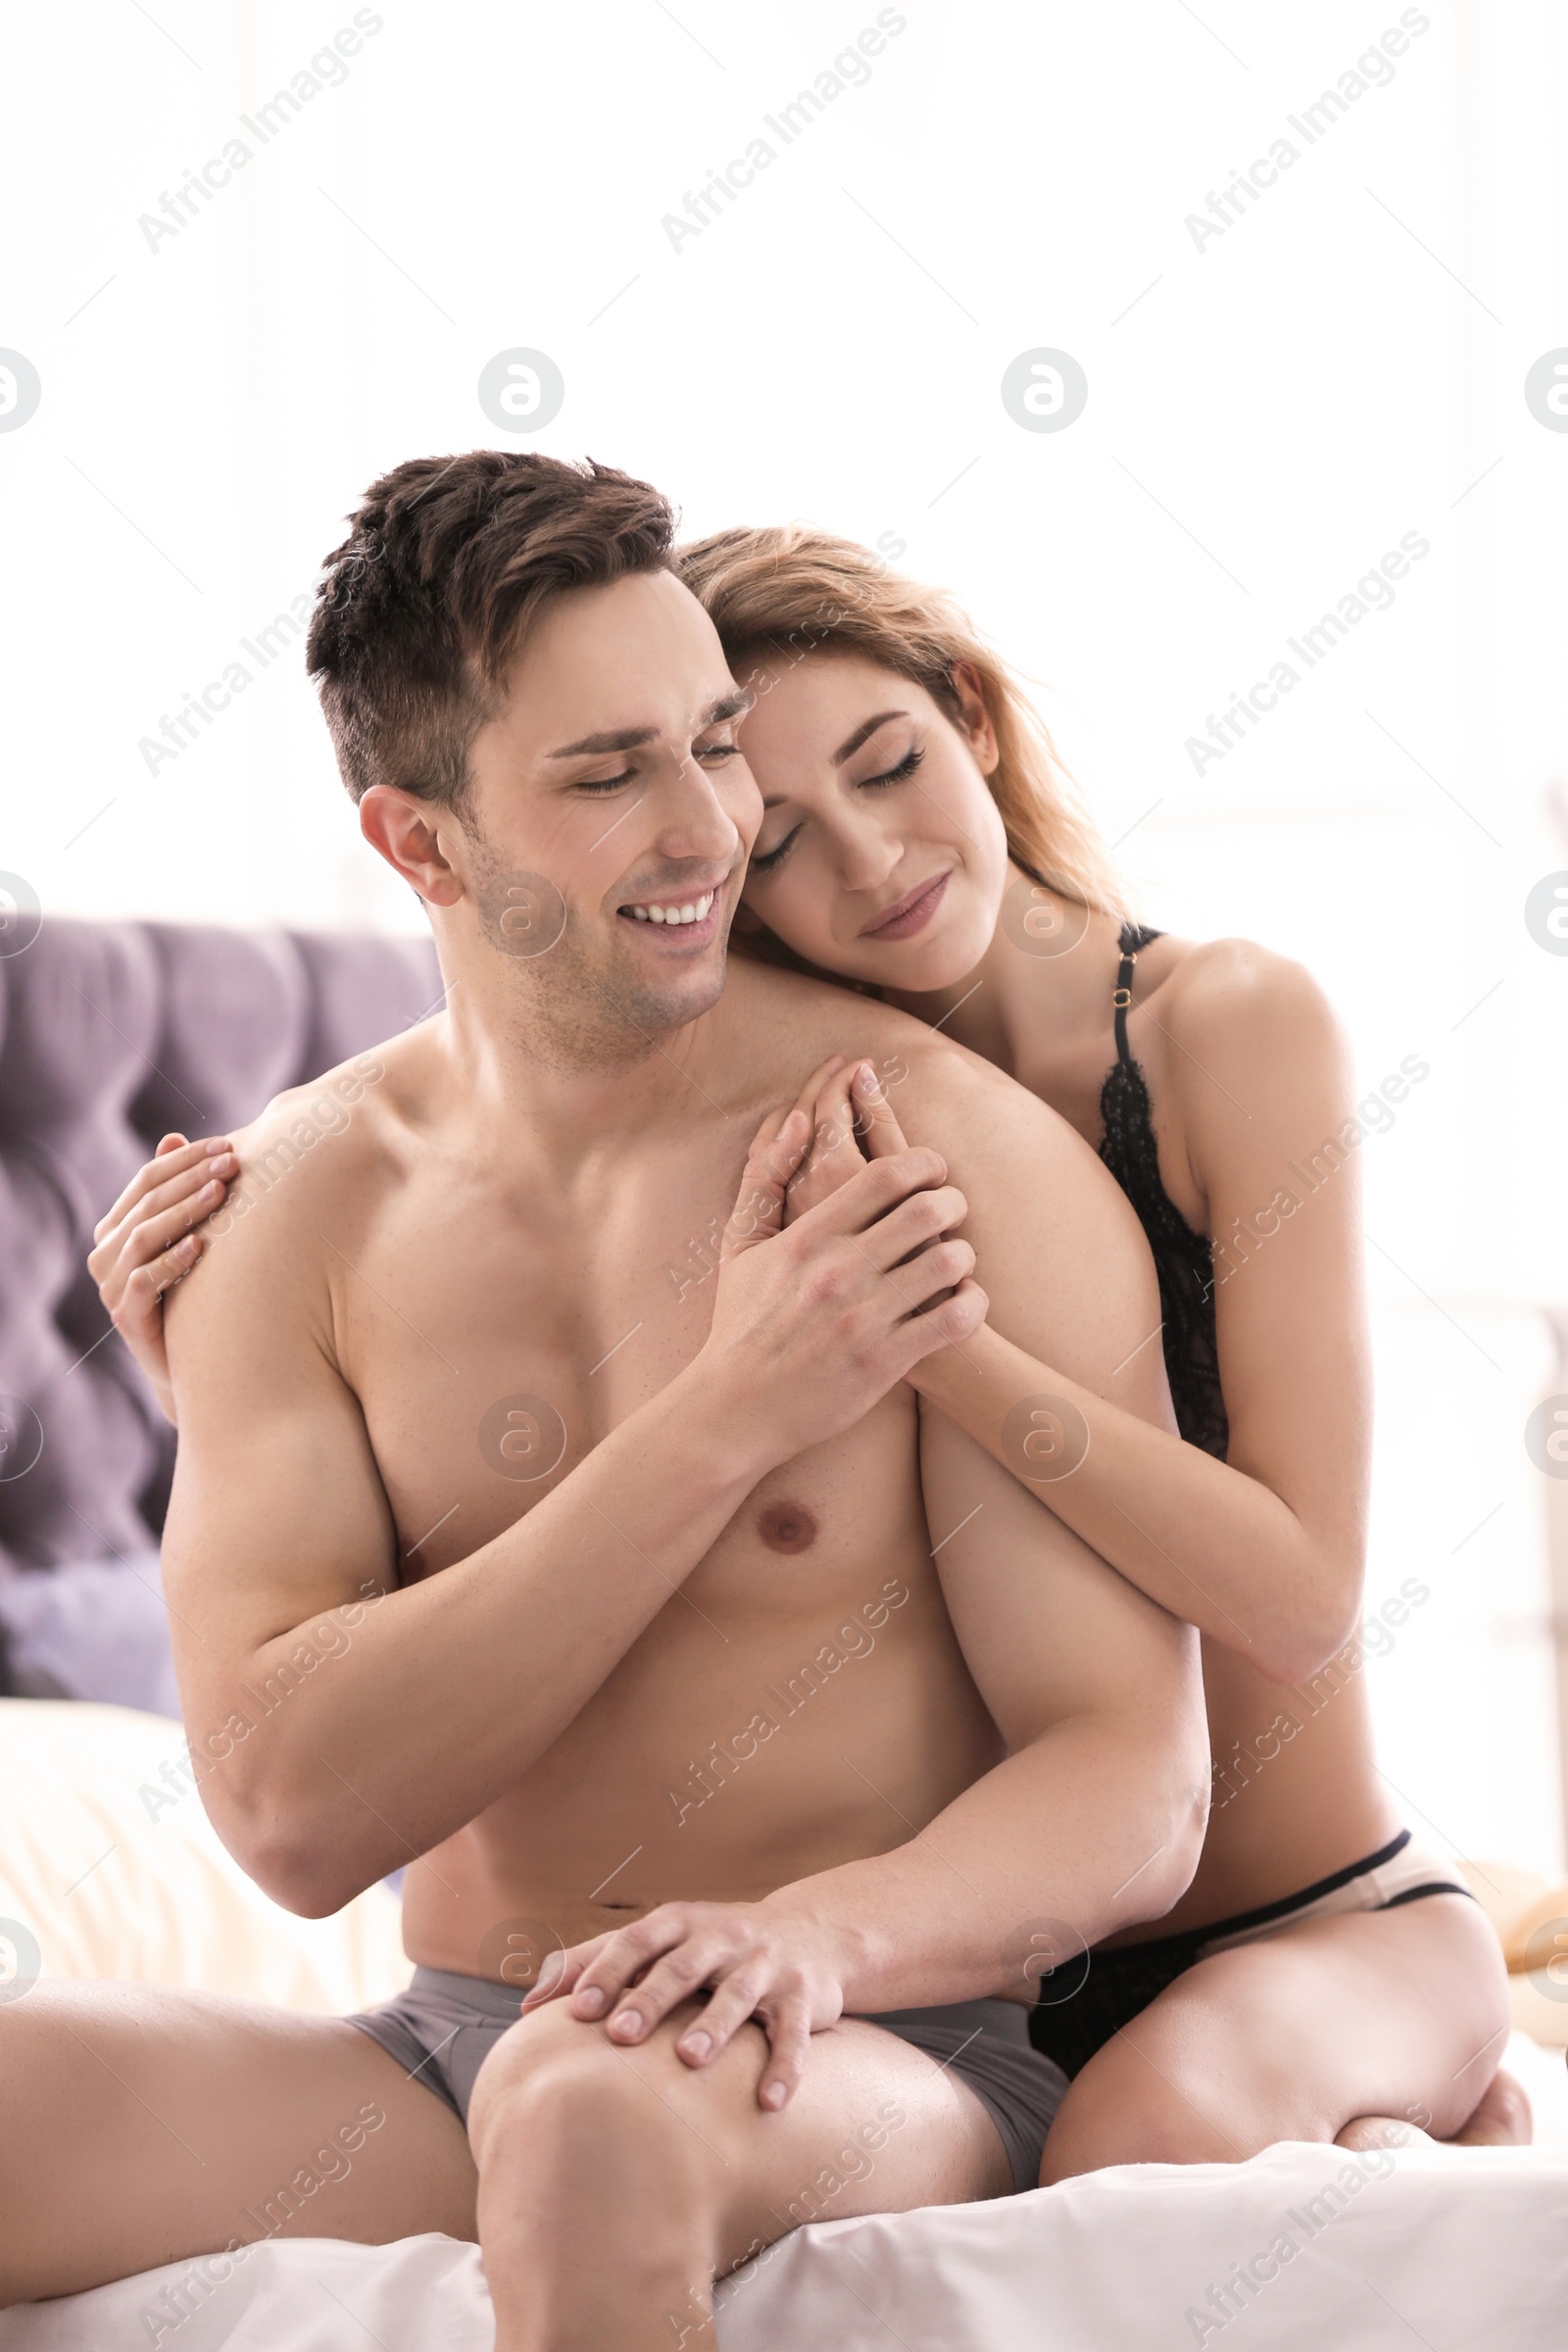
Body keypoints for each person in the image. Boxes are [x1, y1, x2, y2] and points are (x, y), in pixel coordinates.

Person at [93, 513, 1521, 2177]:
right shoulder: (796, 1105)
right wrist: (205, 1380)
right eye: (772, 837)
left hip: (1291, 1912)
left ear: (972, 719)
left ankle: (1428, 2136)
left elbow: (1296, 1598)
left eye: (890, 764)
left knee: (1139, 2151)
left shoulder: (1200, 1037)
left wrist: (931, 1356)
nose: (866, 863)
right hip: (1005, 1964)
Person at [5, 452, 1209, 2343]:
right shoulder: (296, 1211)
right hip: (445, 2051)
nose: (711, 828)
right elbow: (293, 1812)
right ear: (420, 843)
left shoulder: (934, 1159)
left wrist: (811, 1939)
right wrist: (728, 1414)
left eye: (711, 741)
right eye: (604, 774)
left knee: (592, 2116)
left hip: (869, 2049)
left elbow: (1134, 1780)